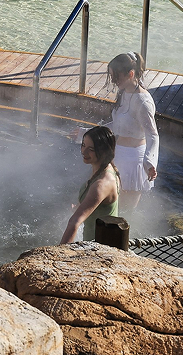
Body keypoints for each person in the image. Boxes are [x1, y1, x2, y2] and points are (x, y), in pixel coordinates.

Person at [108, 52, 159, 212]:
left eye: (116, 77)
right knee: (110, 207)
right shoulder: (125, 92)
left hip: (133, 161)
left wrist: (149, 162)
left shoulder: (143, 102)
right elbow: (119, 125)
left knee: (124, 211)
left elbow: (153, 135)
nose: (114, 81)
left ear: (131, 74)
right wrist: (86, 133)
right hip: (117, 155)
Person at [61, 126, 120, 243]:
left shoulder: (102, 184)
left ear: (103, 151)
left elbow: (74, 222)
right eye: (83, 145)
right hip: (98, 240)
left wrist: (59, 255)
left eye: (91, 149)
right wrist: (80, 206)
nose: (84, 152)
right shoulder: (106, 166)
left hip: (99, 248)